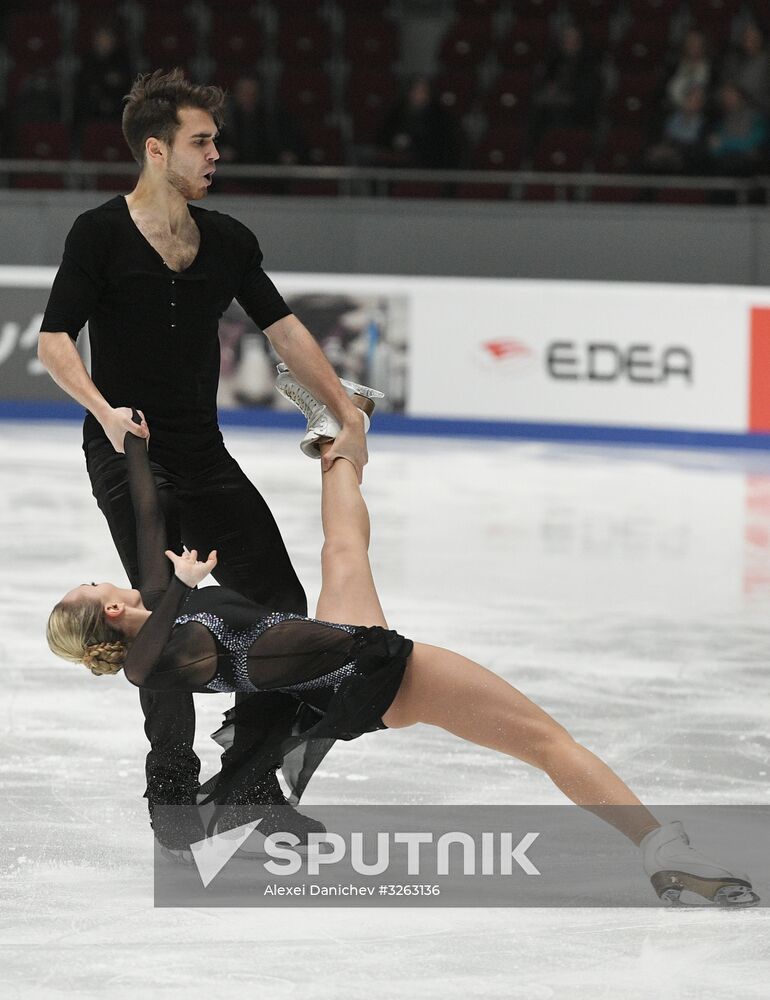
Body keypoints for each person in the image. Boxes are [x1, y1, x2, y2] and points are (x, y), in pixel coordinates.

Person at [45, 375, 759, 908]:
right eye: (92, 586)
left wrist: (130, 444)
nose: (104, 578)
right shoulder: (157, 653)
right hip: (369, 671)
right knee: (547, 741)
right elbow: (145, 661)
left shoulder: (164, 612)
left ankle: (334, 432)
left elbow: (145, 515)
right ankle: (662, 850)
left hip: (342, 659)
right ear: (109, 609)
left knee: (343, 552)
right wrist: (180, 586)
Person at [37, 68, 368, 854]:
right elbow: (54, 341)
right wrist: (104, 411)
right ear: (157, 151)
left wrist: (344, 407)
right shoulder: (99, 233)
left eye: (213, 140)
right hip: (131, 455)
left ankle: (252, 776)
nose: (216, 152)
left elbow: (281, 328)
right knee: (164, 618)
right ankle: (174, 799)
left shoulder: (225, 238)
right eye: (201, 141)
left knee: (284, 604)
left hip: (204, 452)